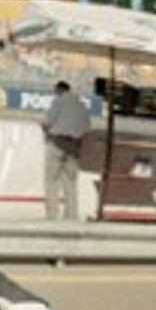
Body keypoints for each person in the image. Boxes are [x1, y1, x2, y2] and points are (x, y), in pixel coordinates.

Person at [41, 80, 91, 221]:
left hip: (57, 144)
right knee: (70, 182)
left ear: (58, 90)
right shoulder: (82, 106)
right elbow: (86, 128)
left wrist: (45, 129)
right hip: (74, 147)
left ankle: (52, 214)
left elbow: (47, 122)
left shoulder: (58, 102)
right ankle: (71, 214)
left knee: (52, 180)